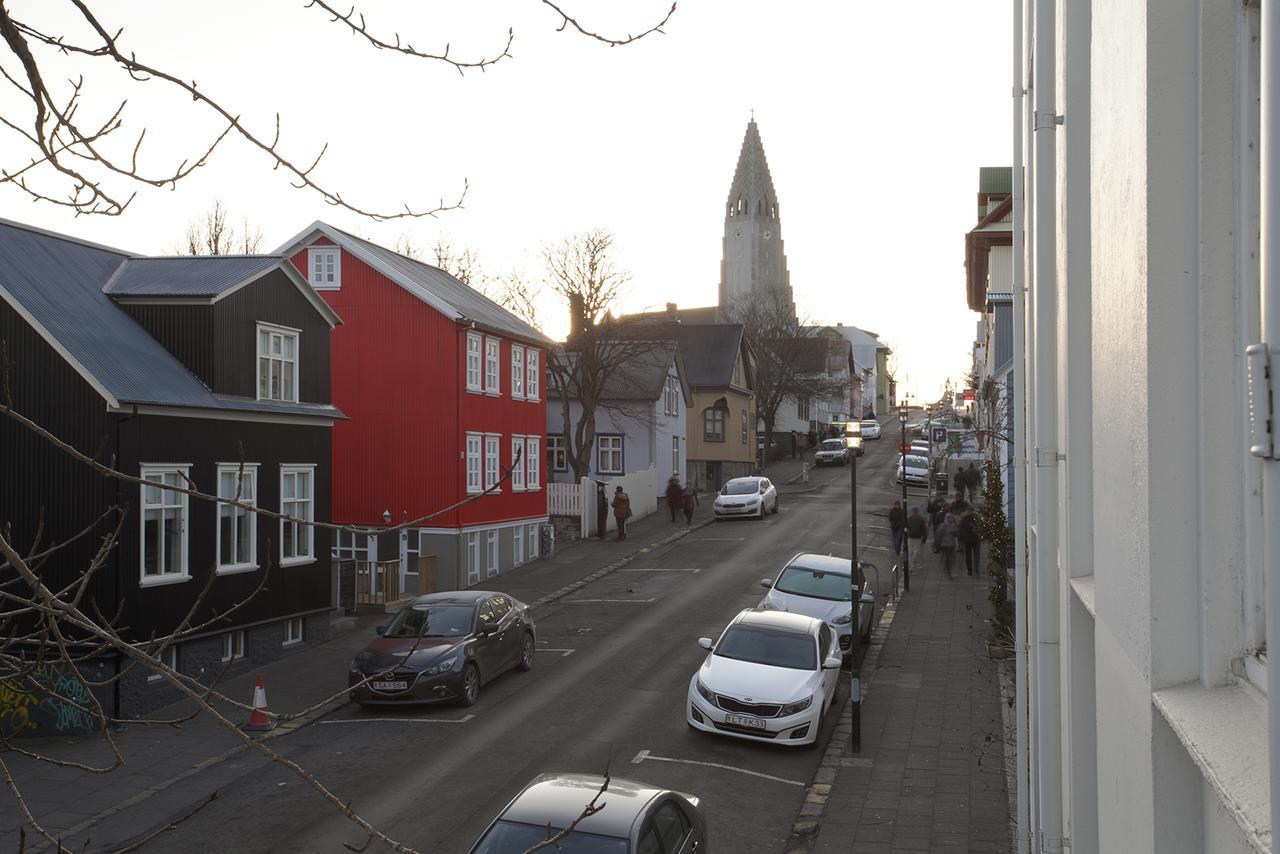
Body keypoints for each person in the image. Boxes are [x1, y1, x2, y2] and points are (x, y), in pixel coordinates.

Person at [958, 508, 981, 576]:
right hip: (970, 539)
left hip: (973, 539)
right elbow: (960, 530)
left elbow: (960, 530)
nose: (969, 512)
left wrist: (961, 539)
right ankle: (972, 570)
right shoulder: (967, 519)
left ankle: (972, 570)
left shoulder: (965, 519)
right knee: (971, 556)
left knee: (972, 556)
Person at [937, 511, 959, 578]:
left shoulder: (954, 525)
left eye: (951, 518)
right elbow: (939, 534)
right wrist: (938, 544)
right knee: (947, 558)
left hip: (952, 544)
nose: (950, 519)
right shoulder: (943, 525)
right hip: (945, 544)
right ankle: (948, 572)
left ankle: (947, 569)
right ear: (946, 518)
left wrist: (955, 532)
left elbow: (957, 534)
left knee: (951, 559)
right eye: (949, 518)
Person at [905, 506, 928, 570]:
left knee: (916, 552)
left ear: (917, 512)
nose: (914, 513)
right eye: (913, 512)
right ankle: (911, 566)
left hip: (918, 538)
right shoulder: (909, 519)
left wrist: (924, 537)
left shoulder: (921, 519)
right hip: (910, 537)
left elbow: (924, 529)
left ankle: (918, 564)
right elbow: (906, 527)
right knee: (910, 552)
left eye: (916, 512)